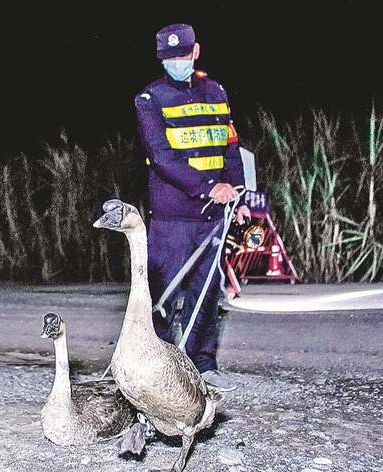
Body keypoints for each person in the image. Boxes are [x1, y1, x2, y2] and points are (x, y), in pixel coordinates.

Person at [135, 23, 249, 391]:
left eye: (182, 56)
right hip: (172, 219)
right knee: (164, 296)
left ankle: (203, 364)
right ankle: (165, 369)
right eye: (169, 58)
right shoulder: (149, 99)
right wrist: (208, 187)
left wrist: (236, 194)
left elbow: (230, 148)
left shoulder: (216, 92)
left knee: (207, 292)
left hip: (213, 217)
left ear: (195, 51)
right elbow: (161, 157)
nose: (176, 63)